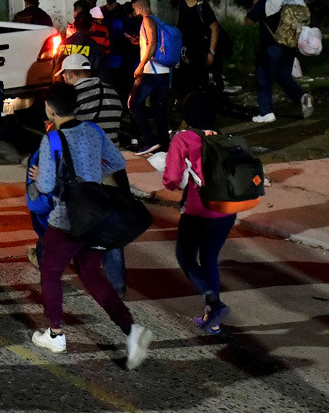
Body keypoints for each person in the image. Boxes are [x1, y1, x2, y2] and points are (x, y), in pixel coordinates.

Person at [28, 83, 153, 368]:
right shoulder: (93, 131)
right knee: (91, 274)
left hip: (67, 218)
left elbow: (46, 185)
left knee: (50, 270)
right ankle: (131, 330)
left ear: (50, 108)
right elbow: (116, 161)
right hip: (96, 214)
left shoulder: (52, 139)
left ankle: (56, 333)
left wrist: (39, 176)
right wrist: (90, 176)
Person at [162, 92, 237, 334]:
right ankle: (212, 319)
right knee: (209, 260)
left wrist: (171, 180)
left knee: (185, 258)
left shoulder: (183, 139)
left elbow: (172, 179)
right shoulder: (222, 138)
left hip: (199, 211)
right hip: (226, 211)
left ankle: (213, 302)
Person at [58, 52, 126, 294]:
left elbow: (75, 132)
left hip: (87, 168)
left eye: (66, 76)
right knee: (113, 228)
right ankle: (116, 283)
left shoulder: (75, 96)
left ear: (71, 74)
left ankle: (58, 263)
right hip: (114, 169)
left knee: (75, 219)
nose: (65, 80)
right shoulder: (112, 92)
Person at [245, 0, 314, 123]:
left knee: (263, 77)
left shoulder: (265, 2)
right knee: (283, 76)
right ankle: (301, 97)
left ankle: (266, 112)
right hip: (289, 47)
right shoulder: (292, 0)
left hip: (271, 46)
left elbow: (248, 21)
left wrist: (255, 5)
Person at [156, 0, 224, 96]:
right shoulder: (179, 1)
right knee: (182, 77)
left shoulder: (202, 6)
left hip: (199, 48)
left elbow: (215, 28)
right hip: (183, 47)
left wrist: (211, 52)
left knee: (199, 78)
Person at [128, 0, 170, 155]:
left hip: (152, 71)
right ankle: (164, 146)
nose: (134, 12)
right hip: (163, 71)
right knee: (158, 108)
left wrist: (140, 65)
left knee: (133, 103)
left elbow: (152, 43)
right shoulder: (157, 20)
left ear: (140, 7)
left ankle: (150, 141)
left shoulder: (147, 20)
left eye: (134, 9)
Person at [100, 0, 139, 101]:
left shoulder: (124, 10)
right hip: (105, 55)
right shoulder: (100, 12)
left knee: (123, 87)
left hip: (123, 55)